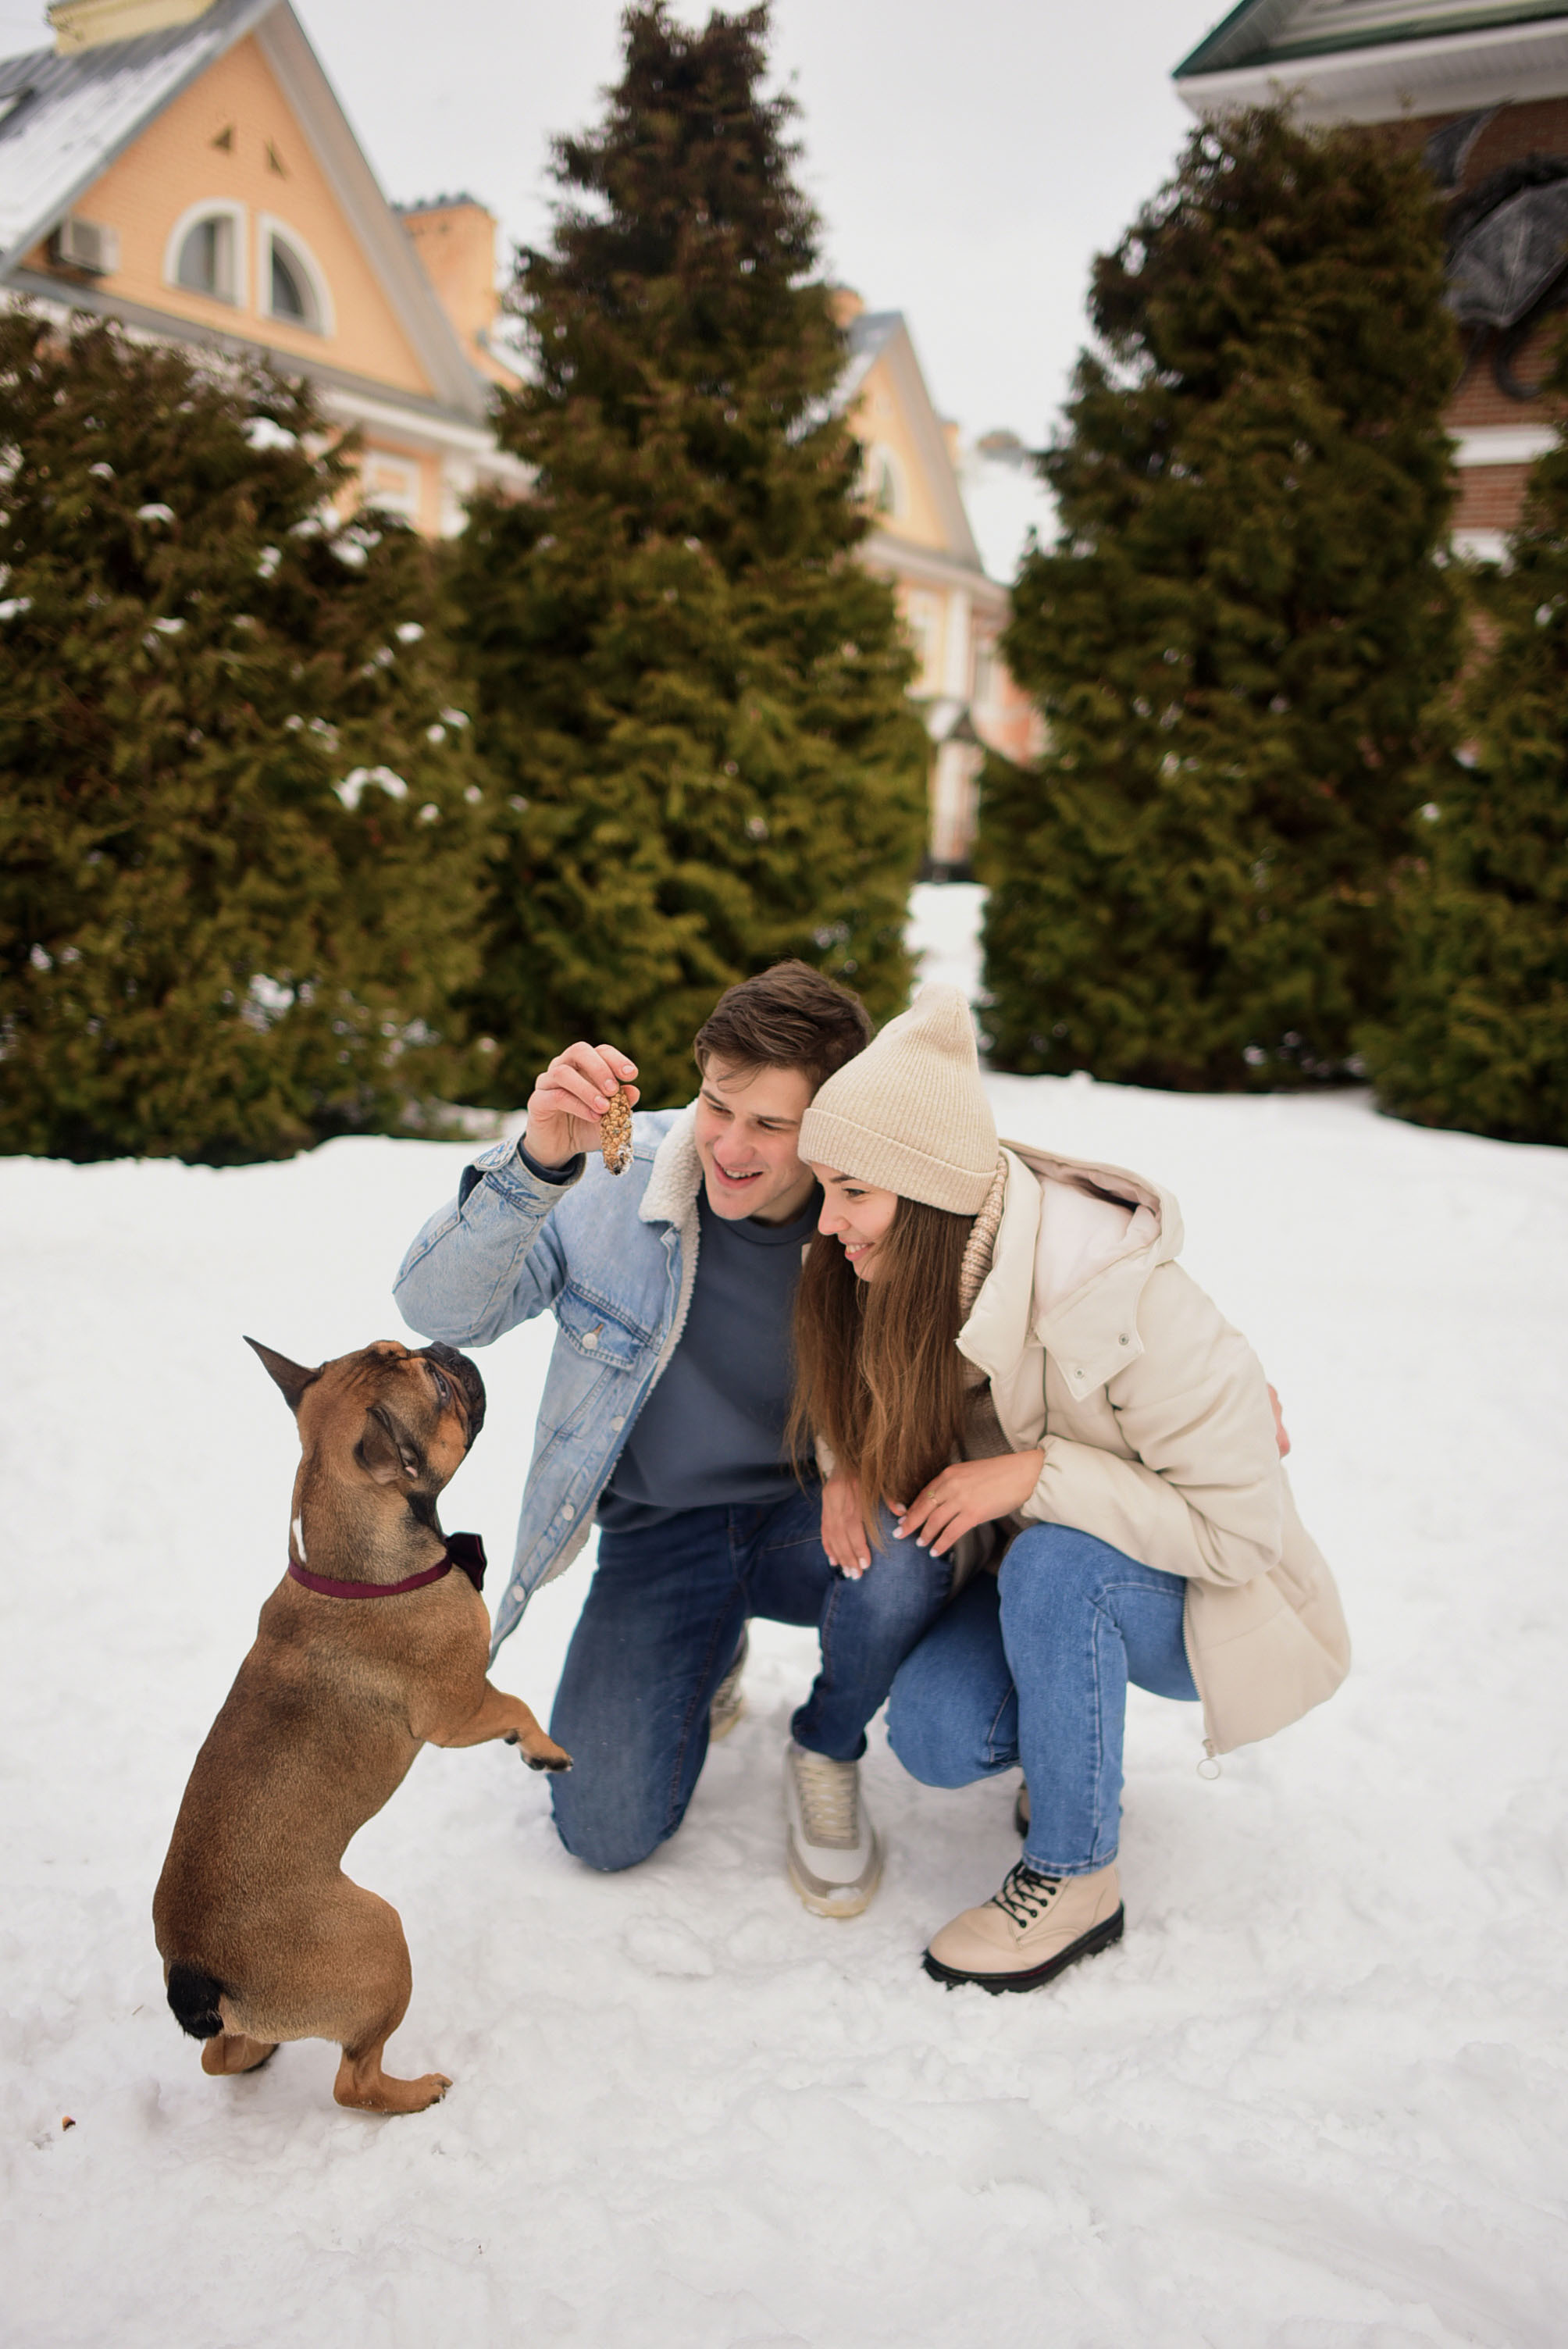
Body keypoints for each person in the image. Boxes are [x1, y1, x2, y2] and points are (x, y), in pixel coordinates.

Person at [790, 984, 1350, 1992]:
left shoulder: (1124, 1298)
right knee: (936, 1734)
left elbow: (1241, 1538)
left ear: (927, 1198)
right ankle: (1065, 1758)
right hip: (1034, 1581)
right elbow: (849, 1390)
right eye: (823, 1187)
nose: (827, 1222)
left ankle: (1075, 1873)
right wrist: (847, 1466)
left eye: (851, 1193)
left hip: (1201, 1603)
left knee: (1058, 1561)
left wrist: (1039, 1475)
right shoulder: (902, 1272)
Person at [392, 963, 952, 1917]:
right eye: (716, 1105)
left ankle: (827, 1743)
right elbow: (438, 1309)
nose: (731, 1146)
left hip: (805, 1511)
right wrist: (534, 1168)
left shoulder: (876, 1215)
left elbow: (1011, 1270)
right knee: (603, 1828)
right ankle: (709, 1650)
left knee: (906, 1557)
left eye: (772, 1125)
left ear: (832, 1130)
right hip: (661, 1533)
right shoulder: (610, 1179)